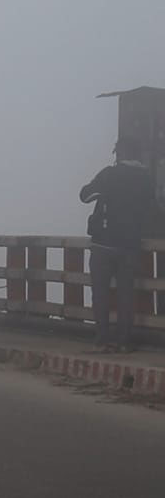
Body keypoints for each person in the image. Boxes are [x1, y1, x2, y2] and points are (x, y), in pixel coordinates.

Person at [80, 137, 154, 352]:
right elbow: (153, 209)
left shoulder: (109, 175)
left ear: (118, 154)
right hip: (130, 245)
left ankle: (102, 339)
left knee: (101, 293)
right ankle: (124, 341)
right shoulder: (145, 179)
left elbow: (85, 195)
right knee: (126, 294)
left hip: (103, 244)